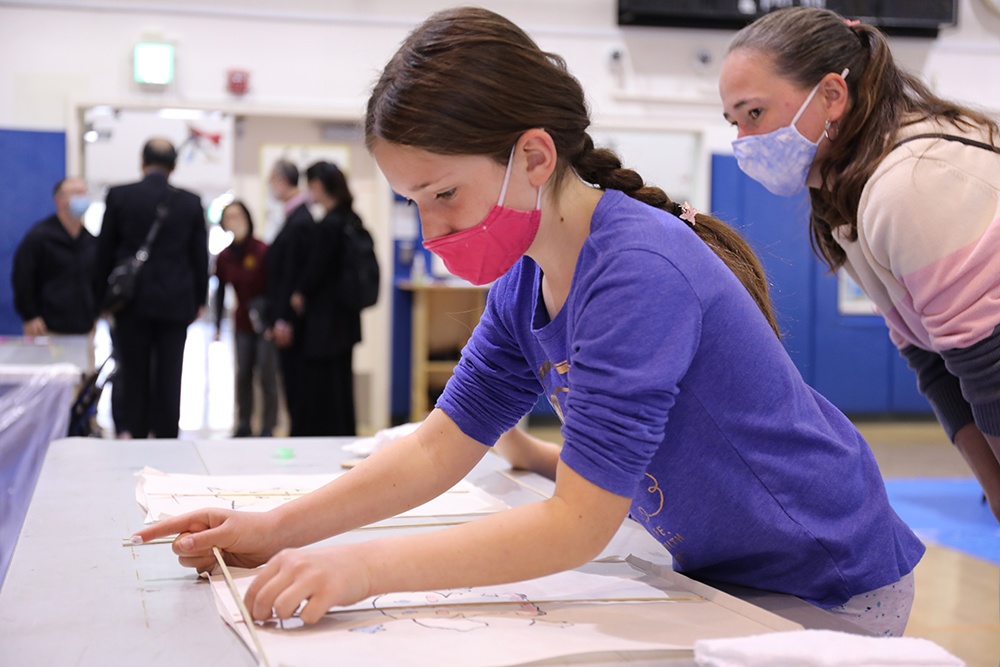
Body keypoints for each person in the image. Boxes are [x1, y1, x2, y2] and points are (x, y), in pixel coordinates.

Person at [134, 7, 924, 638]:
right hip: (731, 570)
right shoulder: (528, 278)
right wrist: (272, 526)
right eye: (416, 202)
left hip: (830, 580)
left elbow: (577, 525)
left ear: (535, 158)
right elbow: (443, 443)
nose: (434, 228)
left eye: (444, 193)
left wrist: (359, 568)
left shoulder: (636, 269)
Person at [718, 6, 1000, 523]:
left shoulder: (912, 180)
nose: (742, 139)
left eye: (753, 113)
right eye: (732, 121)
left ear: (831, 95)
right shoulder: (848, 201)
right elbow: (932, 360)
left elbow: (989, 366)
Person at [94, 138, 209, 439]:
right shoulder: (190, 202)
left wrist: (101, 300)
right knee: (171, 375)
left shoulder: (119, 196)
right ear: (174, 166)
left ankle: (136, 436)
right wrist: (200, 299)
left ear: (141, 162)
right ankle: (167, 438)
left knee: (133, 373)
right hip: (176, 302)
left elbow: (104, 252)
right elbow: (199, 257)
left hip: (132, 303)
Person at [287, 161, 362, 436]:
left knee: (320, 386)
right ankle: (343, 433)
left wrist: (299, 292)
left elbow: (316, 268)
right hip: (345, 317)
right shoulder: (351, 219)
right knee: (341, 384)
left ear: (318, 186)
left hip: (324, 320)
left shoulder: (329, 224)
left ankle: (320, 437)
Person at [214, 201, 278, 438]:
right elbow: (220, 290)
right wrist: (217, 326)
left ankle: (268, 426)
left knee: (266, 372)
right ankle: (243, 424)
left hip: (264, 321)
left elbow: (274, 286)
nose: (235, 221)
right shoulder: (225, 257)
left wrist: (273, 321)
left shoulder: (262, 250)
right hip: (241, 321)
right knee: (243, 374)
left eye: (238, 215)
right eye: (229, 217)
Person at [263, 159, 314, 436]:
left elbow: (291, 277)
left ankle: (298, 436)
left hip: (290, 321)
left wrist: (284, 319)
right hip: (286, 317)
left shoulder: (300, 220)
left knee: (296, 384)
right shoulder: (295, 217)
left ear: (281, 181)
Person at [11, 177, 98, 340]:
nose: (83, 197)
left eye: (84, 193)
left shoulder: (90, 241)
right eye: (77, 193)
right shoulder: (39, 237)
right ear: (59, 200)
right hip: (46, 328)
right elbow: (22, 277)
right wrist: (30, 315)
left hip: (83, 328)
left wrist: (95, 313)